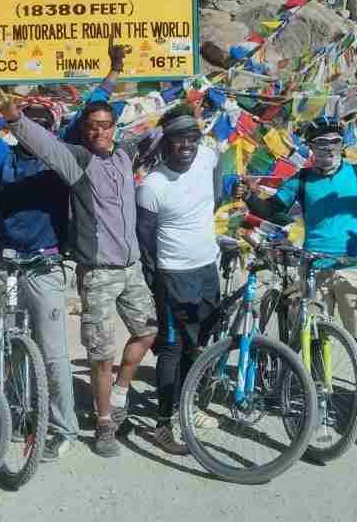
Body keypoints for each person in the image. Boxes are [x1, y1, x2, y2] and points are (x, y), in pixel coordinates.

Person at [0, 39, 128, 461]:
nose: (36, 134)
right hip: (7, 266)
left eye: (43, 126)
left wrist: (111, 75)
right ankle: (11, 411)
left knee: (54, 351)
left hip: (45, 265)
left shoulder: (60, 157)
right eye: (29, 125)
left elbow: (88, 113)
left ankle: (62, 426)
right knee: (8, 341)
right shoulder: (3, 158)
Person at [0, 86, 157, 458]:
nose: (100, 132)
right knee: (101, 354)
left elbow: (156, 132)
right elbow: (46, 145)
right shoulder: (77, 161)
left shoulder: (124, 155)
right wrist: (15, 119)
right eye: (92, 127)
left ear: (115, 127)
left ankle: (117, 396)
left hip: (131, 270)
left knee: (148, 333)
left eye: (106, 125)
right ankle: (104, 425)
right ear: (83, 131)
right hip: (98, 273)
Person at [245, 118, 357, 434]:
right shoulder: (300, 179)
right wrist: (248, 197)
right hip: (313, 268)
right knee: (313, 335)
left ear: (341, 146)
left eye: (333, 144)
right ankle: (316, 395)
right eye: (320, 145)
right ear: (310, 148)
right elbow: (274, 209)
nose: (327, 150)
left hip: (352, 267)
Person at [136, 104, 221, 454]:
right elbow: (146, 240)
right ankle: (163, 423)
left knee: (197, 344)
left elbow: (216, 192)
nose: (187, 145)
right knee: (171, 348)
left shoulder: (208, 157)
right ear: (166, 143)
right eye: (179, 139)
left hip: (207, 268)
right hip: (172, 275)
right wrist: (158, 282)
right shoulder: (153, 186)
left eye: (192, 138)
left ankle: (188, 405)